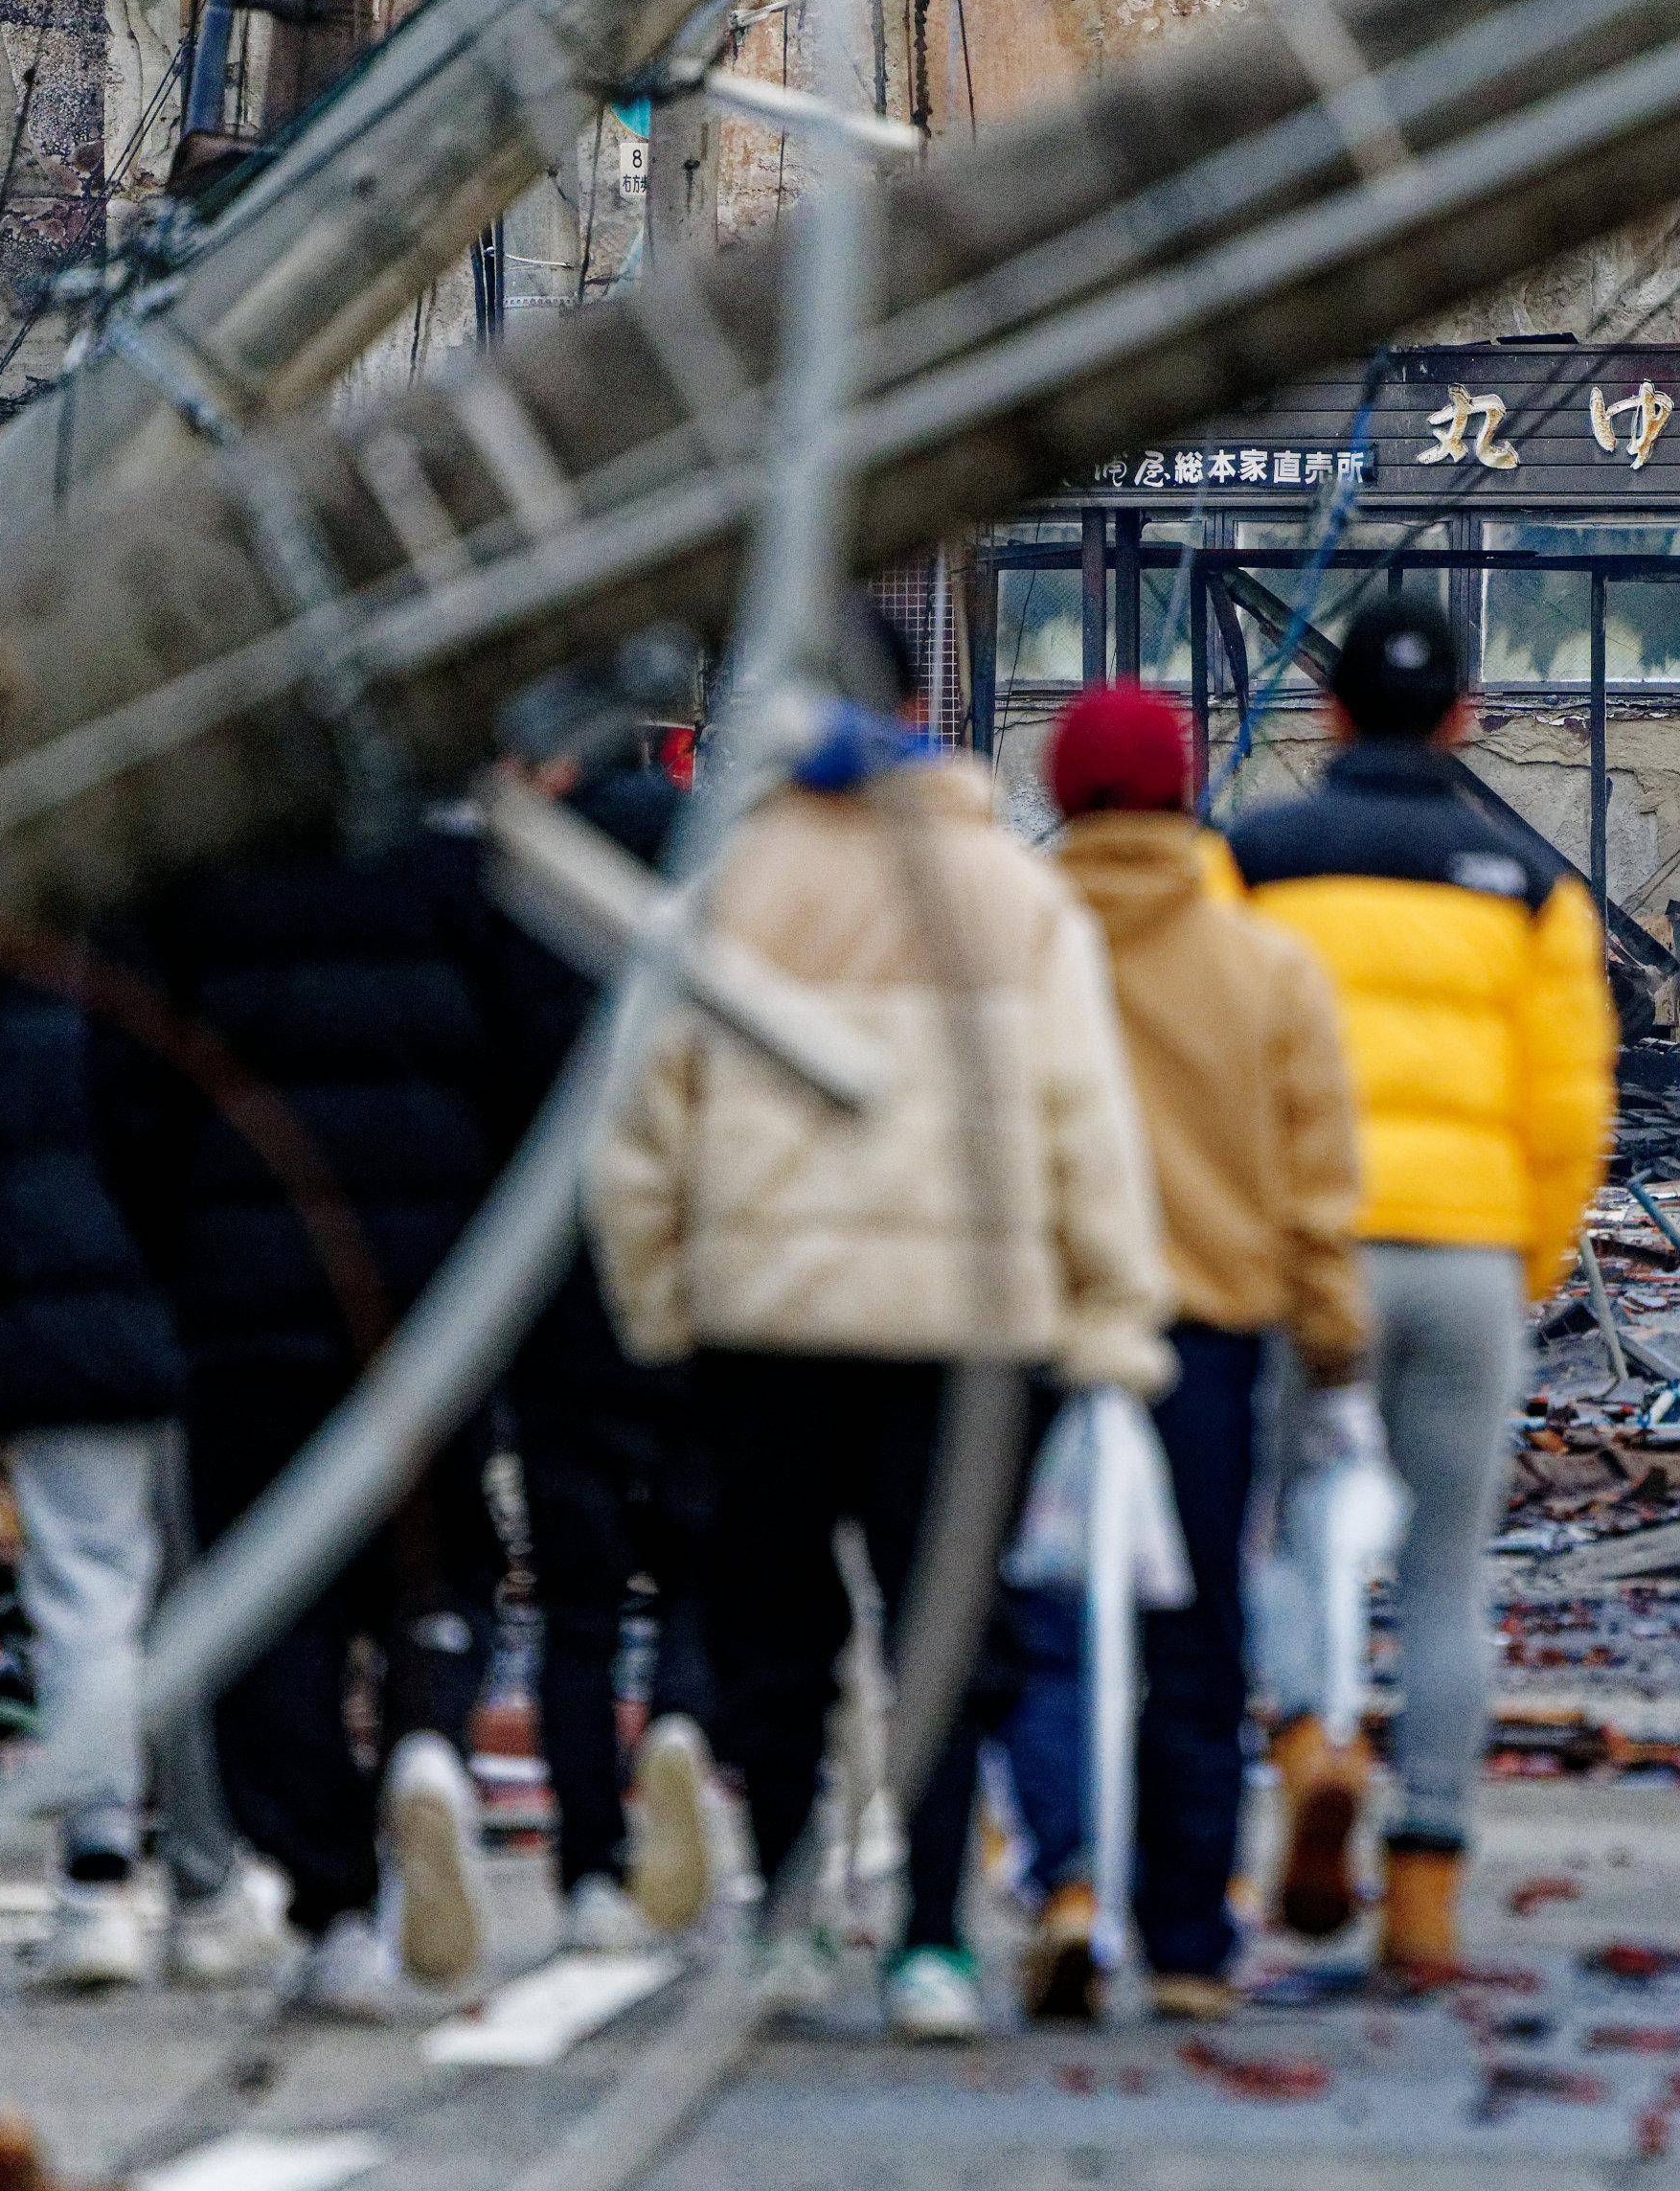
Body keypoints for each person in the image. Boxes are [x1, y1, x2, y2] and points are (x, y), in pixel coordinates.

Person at [586, 703, 1174, 2045]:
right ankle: (930, 1939)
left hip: (767, 1332)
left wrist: (661, 1305)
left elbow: (636, 1129)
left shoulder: (723, 890)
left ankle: (791, 1922)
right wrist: (1114, 1312)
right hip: (970, 1339)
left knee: (775, 1636)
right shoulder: (1011, 890)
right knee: (946, 1640)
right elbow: (1086, 1112)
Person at [1229, 599, 1615, 1988]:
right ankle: (1427, 1898)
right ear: (1466, 715)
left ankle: (1307, 1744)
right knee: (1447, 1571)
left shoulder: (1253, 858)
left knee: (1275, 1532)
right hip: (1464, 1256)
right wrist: (1524, 1263)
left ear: (1326, 713)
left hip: (1297, 1254)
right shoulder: (1527, 883)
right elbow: (1571, 1116)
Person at [989, 682, 1369, 2025]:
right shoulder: (1260, 961)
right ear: (1183, 786)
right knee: (1198, 1629)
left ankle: (1065, 1875)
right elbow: (1321, 1174)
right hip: (1207, 1336)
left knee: (1039, 1619)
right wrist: (1330, 1333)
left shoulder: (1006, 939)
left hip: (1027, 1329)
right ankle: (1193, 1937)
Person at [118, 826, 525, 2018]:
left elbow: (131, 1089)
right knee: (438, 1555)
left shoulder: (196, 882)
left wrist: (176, 1259)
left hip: (248, 1305)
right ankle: (432, 1739)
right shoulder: (458, 876)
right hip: (429, 1298)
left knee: (265, 1602)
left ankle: (334, 1903)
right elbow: (525, 1073)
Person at [0, 959, 287, 1993]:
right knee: (202, 1592)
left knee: (84, 1595)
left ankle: (95, 1880)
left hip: (49, 1312)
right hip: (198, 1302)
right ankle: (212, 1888)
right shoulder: (194, 924)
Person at [488, 665, 722, 1953]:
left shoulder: (521, 908)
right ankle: (686, 1716)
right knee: (698, 1556)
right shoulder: (721, 901)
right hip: (694, 1267)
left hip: (558, 1281)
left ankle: (588, 1872)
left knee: (575, 1601)